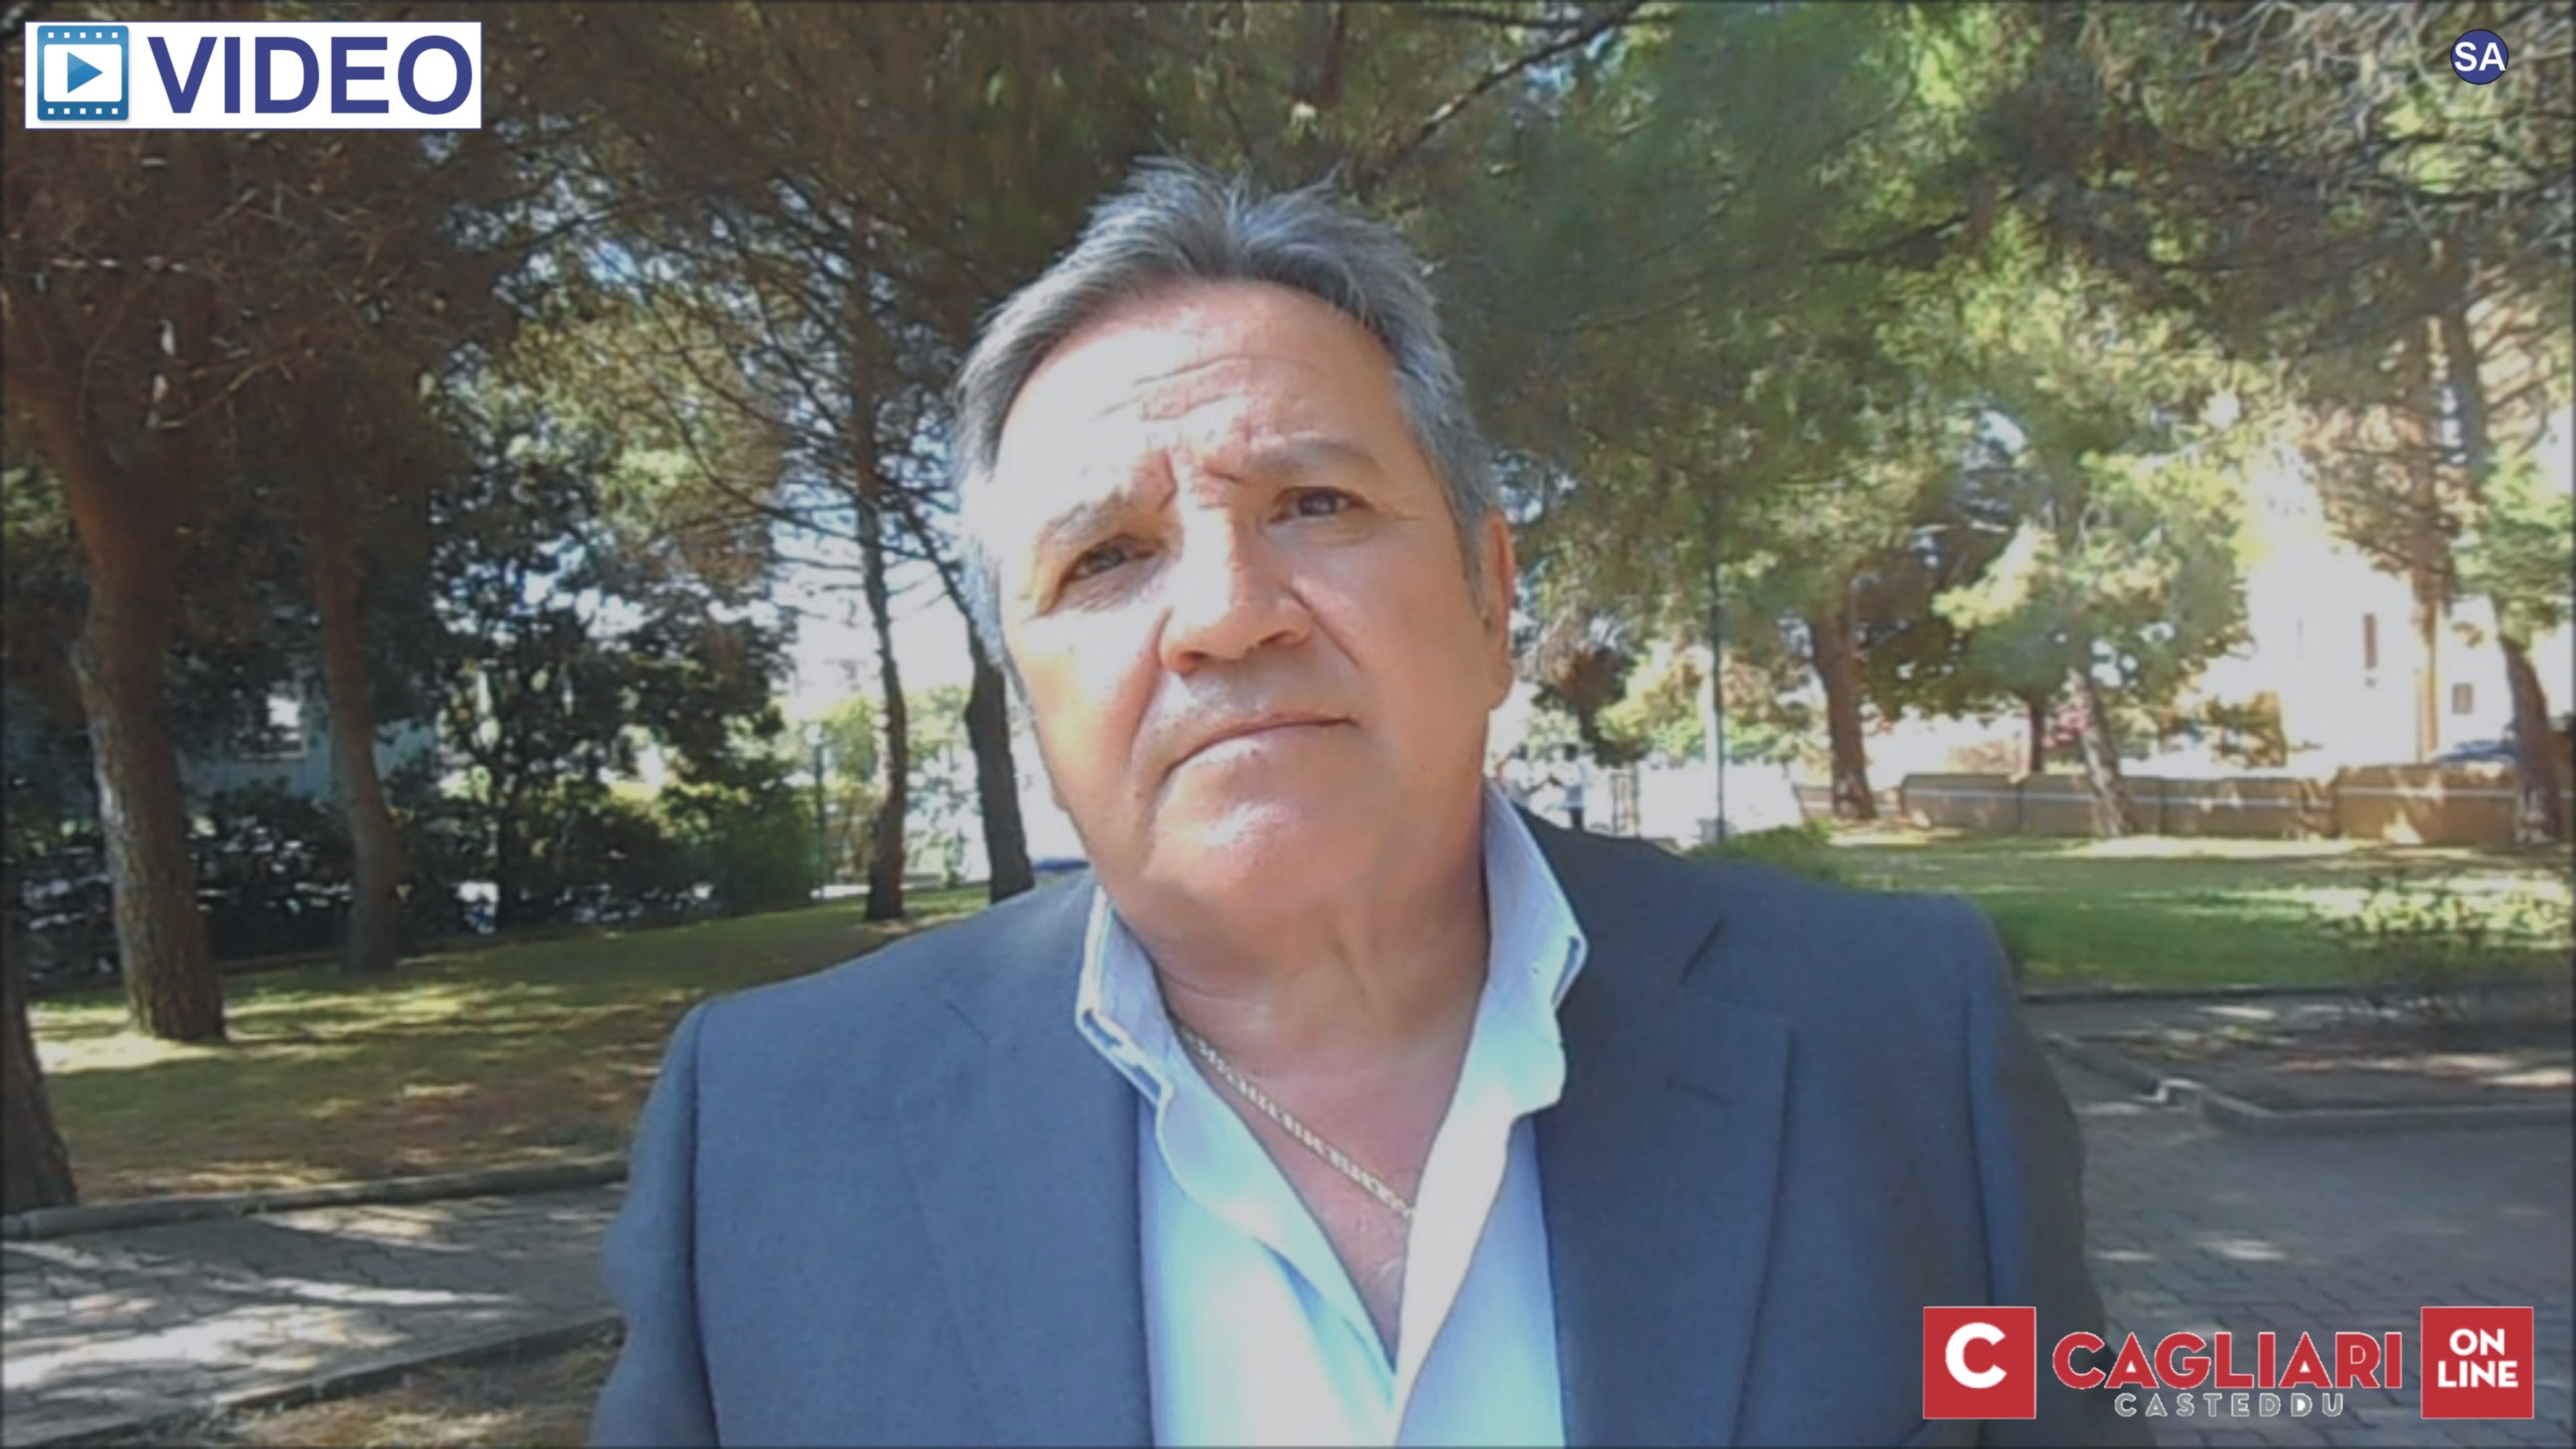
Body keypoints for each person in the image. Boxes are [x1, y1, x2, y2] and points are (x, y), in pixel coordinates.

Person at [592, 160, 2142, 1448]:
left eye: (1315, 504)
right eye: (1106, 558)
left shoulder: (1898, 1043)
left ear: (1490, 594)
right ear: (1022, 687)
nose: (1225, 615)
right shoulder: (771, 1133)